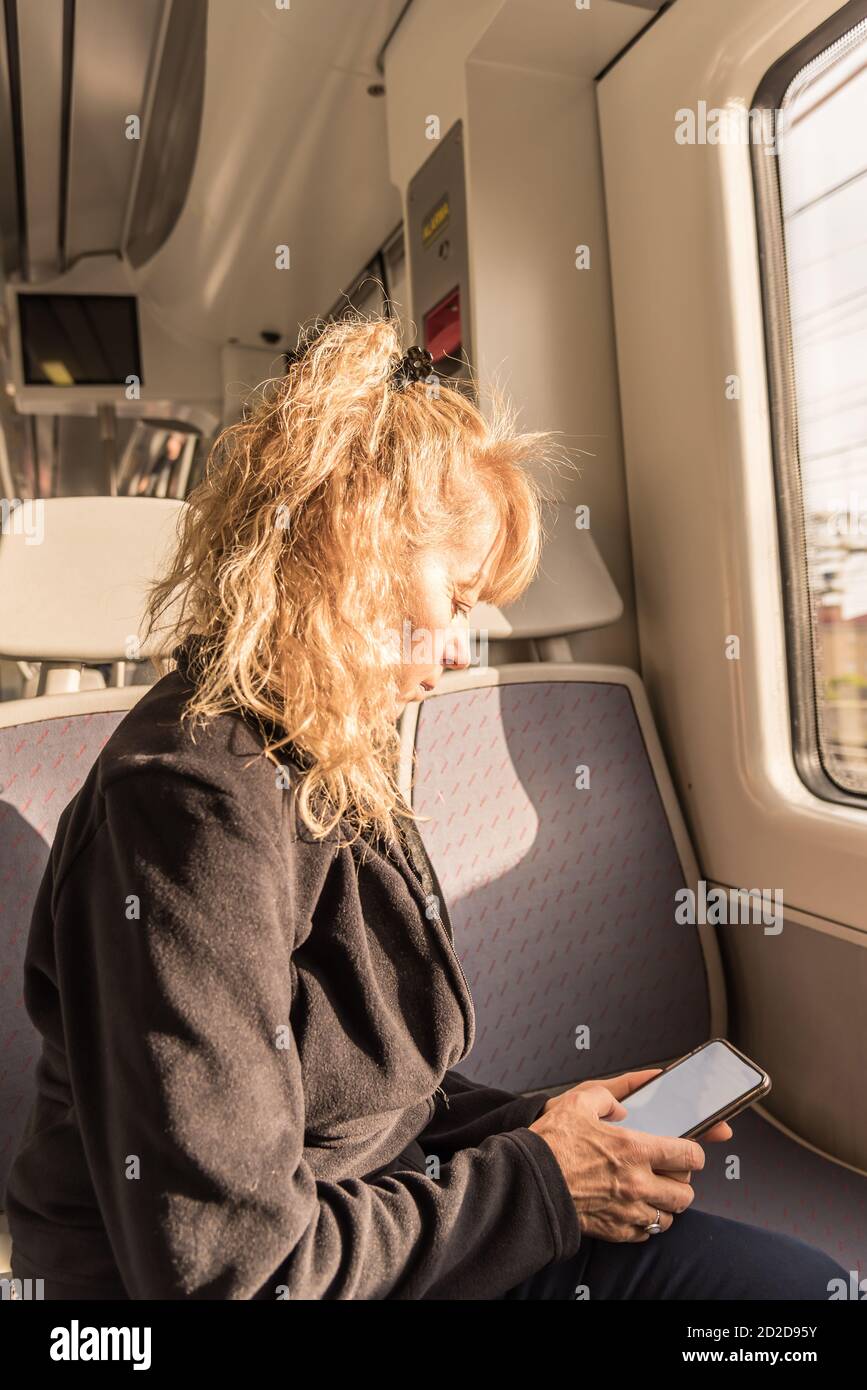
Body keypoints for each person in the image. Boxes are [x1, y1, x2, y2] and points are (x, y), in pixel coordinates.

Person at [5, 317, 848, 1300]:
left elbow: (365, 1108)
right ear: (353, 547)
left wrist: (540, 1125)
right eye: (455, 598)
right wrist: (544, 1180)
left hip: (385, 1227)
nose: (459, 654)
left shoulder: (326, 751)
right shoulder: (184, 811)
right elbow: (241, 1272)